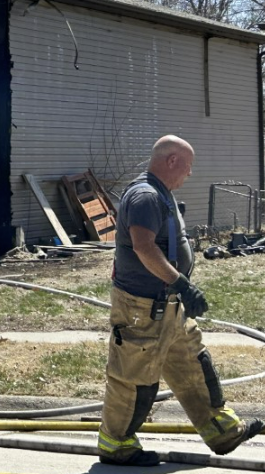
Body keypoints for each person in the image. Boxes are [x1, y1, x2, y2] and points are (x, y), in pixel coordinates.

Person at [98, 135, 262, 466]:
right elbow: (144, 247)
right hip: (141, 309)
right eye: (187, 167)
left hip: (169, 306)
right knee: (135, 378)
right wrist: (182, 284)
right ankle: (117, 445)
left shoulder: (162, 194)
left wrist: (179, 291)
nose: (189, 174)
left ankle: (222, 430)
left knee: (194, 365)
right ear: (171, 161)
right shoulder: (145, 196)